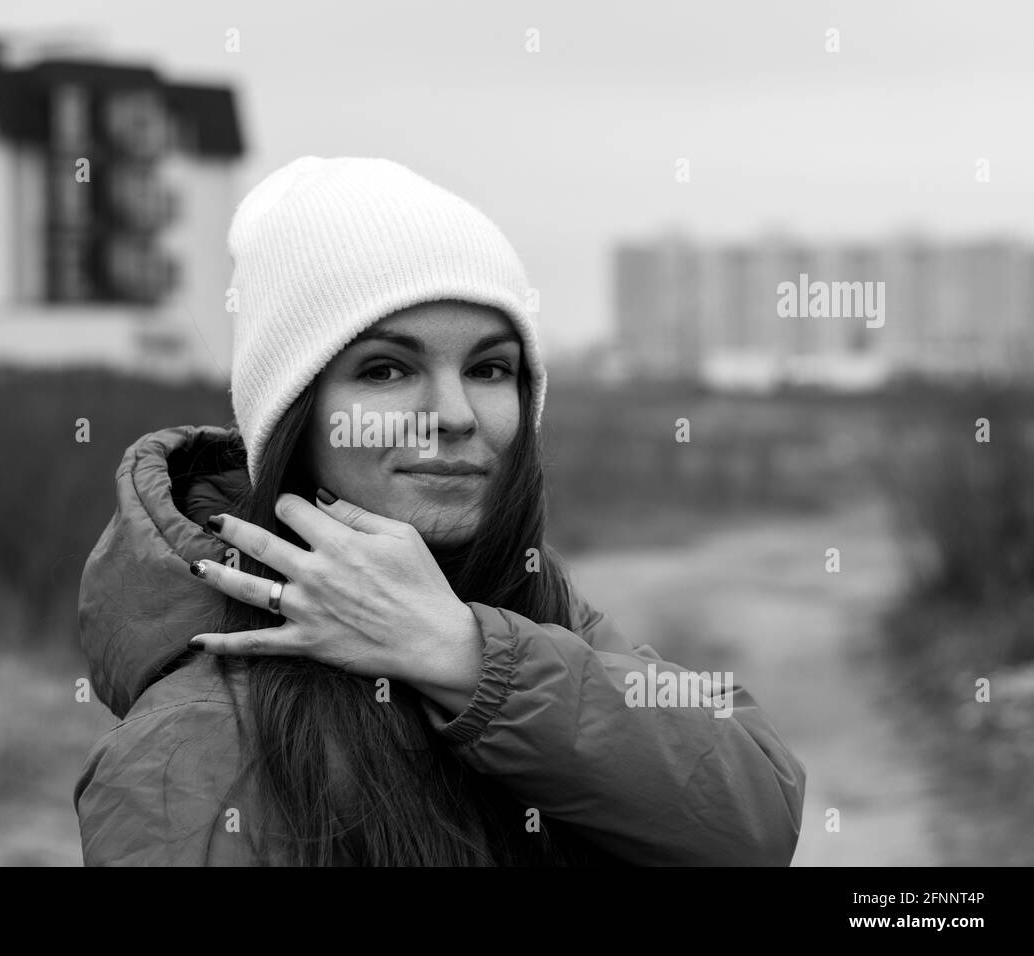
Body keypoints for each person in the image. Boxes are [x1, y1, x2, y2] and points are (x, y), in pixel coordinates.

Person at [73, 156, 805, 866]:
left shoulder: (536, 613)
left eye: (489, 369)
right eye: (386, 369)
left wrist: (468, 658)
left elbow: (751, 825)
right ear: (296, 413)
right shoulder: (190, 745)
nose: (453, 415)